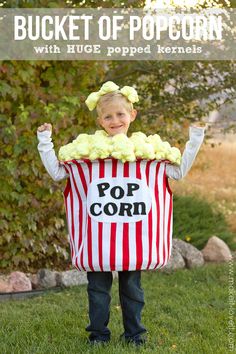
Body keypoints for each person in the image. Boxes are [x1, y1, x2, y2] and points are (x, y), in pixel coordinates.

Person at [37, 81, 206, 347]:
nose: (115, 120)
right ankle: (98, 336)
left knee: (132, 289)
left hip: (133, 240)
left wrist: (195, 138)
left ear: (132, 115)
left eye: (120, 114)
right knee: (97, 290)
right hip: (97, 240)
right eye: (108, 116)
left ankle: (135, 335)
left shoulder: (148, 154)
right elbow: (58, 173)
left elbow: (179, 172)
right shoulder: (87, 155)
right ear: (100, 120)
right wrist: (45, 142)